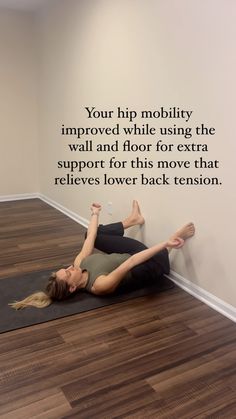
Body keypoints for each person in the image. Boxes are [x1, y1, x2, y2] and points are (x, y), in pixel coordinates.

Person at [9, 200, 195, 309]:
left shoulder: (79, 263)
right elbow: (130, 263)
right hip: (149, 264)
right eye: (67, 273)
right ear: (73, 288)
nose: (70, 268)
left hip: (131, 252)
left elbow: (90, 236)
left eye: (64, 269)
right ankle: (171, 243)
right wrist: (165, 243)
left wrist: (95, 213)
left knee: (92, 235)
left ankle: (132, 220)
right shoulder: (100, 285)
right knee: (147, 264)